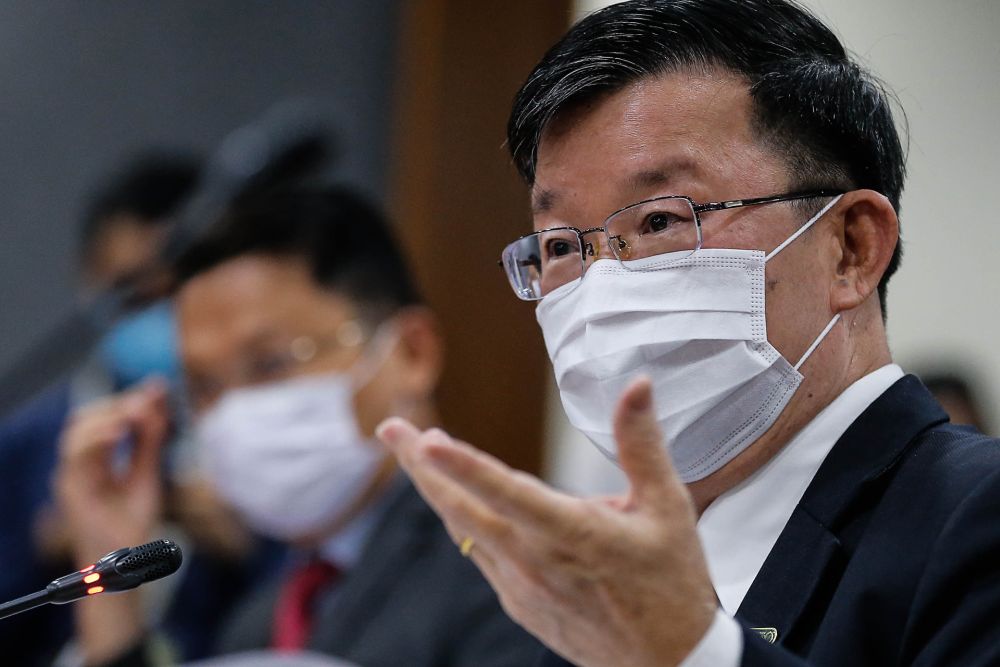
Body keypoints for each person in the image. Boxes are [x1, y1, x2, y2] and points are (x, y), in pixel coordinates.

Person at [375, 1, 1000, 665]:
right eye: (561, 246)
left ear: (850, 248)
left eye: (660, 222)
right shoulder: (592, 592)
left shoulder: (973, 519)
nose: (603, 286)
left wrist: (689, 649)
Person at [55, 185, 542, 667]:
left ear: (412, 353)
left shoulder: (519, 571)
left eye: (269, 364)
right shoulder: (259, 620)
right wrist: (108, 563)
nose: (233, 411)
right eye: (204, 387)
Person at [0, 152, 202, 666]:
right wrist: (41, 548)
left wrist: (240, 539)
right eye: (130, 295)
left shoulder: (265, 438)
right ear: (88, 280)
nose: (155, 315)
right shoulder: (26, 443)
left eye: (172, 295)